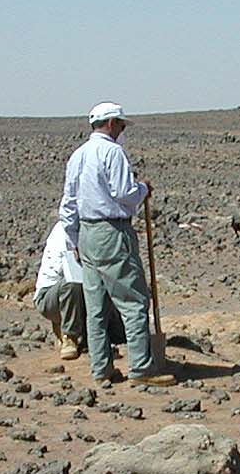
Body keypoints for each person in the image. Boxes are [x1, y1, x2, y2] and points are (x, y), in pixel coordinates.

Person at [58, 101, 174, 386]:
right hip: (112, 232)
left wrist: (74, 239)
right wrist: (143, 189)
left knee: (96, 306)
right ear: (111, 124)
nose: (122, 130)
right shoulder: (112, 152)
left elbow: (68, 204)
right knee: (133, 300)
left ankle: (101, 368)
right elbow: (124, 193)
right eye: (121, 125)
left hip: (87, 233)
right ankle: (142, 369)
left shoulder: (78, 155)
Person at [32, 220, 86, 360]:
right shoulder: (66, 232)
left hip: (79, 296)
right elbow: (71, 269)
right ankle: (69, 336)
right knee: (73, 282)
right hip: (50, 298)